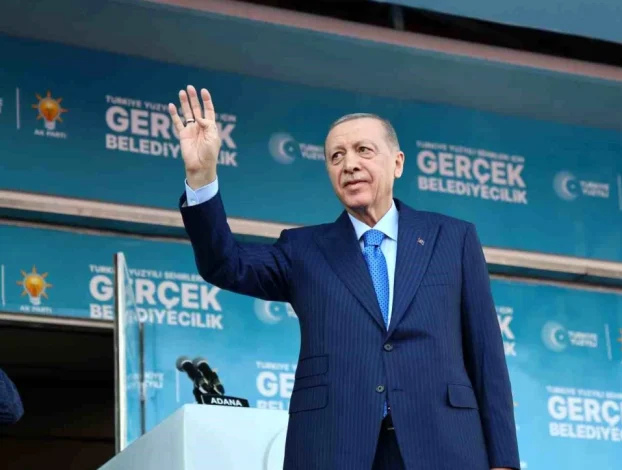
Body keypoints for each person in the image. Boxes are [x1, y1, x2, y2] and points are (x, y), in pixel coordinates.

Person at [170, 85, 520, 470]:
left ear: (397, 163)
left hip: (444, 448)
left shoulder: (452, 238)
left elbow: (487, 357)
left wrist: (503, 462)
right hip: (334, 448)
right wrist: (201, 176)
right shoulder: (304, 249)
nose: (349, 164)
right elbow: (225, 264)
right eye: (336, 156)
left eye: (363, 150)